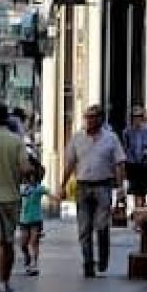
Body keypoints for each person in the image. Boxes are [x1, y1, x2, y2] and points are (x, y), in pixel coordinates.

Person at [56, 104, 126, 278]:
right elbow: (70, 164)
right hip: (83, 186)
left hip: (103, 185)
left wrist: (120, 187)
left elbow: (119, 164)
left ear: (101, 119)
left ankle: (102, 259)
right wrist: (62, 186)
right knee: (84, 228)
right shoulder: (77, 139)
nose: (89, 120)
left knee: (102, 225)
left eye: (93, 117)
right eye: (87, 117)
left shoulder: (111, 138)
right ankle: (88, 262)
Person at [0, 101, 32, 292]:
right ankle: (4, 282)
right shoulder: (15, 141)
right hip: (10, 198)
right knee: (6, 242)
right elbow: (26, 169)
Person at [122, 106, 147, 210]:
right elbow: (125, 147)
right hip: (133, 164)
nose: (137, 119)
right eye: (135, 117)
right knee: (136, 190)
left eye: (139, 116)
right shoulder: (127, 131)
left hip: (146, 164)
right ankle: (139, 211)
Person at [19, 161, 47, 276]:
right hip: (24, 220)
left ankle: (34, 265)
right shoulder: (23, 188)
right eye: (30, 178)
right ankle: (27, 257)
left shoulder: (40, 188)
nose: (32, 180)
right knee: (23, 244)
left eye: (34, 178)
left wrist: (59, 197)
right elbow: (20, 195)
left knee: (33, 242)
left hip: (36, 219)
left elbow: (50, 194)